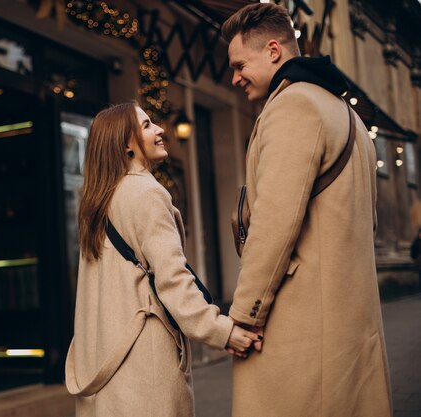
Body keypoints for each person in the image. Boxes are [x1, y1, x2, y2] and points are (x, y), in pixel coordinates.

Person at [221, 3, 392, 417]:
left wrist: (243, 316)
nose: (234, 77)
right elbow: (366, 221)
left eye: (240, 63)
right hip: (349, 322)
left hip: (304, 328)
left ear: (274, 50)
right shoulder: (345, 114)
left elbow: (274, 225)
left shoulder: (293, 107)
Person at [64, 101, 259, 417]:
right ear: (126, 144)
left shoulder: (96, 205)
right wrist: (222, 331)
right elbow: (173, 280)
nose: (159, 130)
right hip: (144, 367)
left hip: (104, 369)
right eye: (146, 125)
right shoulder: (146, 194)